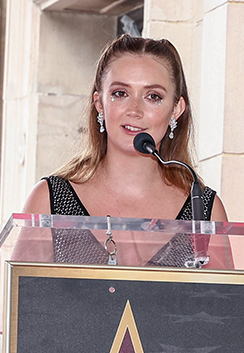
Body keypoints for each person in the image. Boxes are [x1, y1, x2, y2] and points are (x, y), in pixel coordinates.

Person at [22, 35, 228, 266]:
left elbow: (225, 302)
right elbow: (17, 298)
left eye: (153, 97)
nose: (134, 110)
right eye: (120, 93)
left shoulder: (204, 211)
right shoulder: (50, 201)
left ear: (176, 109)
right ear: (99, 103)